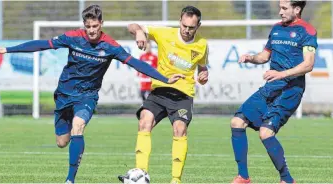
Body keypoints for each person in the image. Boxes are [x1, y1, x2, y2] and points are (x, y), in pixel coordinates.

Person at [0, 5, 184, 184]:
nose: (92, 30)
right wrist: (8, 49)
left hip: (87, 96)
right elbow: (42, 44)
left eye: (95, 26)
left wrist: (164, 79)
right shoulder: (73, 37)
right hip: (64, 94)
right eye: (88, 26)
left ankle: (70, 180)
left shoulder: (110, 46)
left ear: (101, 24)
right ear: (84, 25)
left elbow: (136, 63)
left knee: (78, 126)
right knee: (62, 142)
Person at [118, 5, 209, 184]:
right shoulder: (164, 33)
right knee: (144, 120)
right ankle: (140, 173)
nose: (187, 30)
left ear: (198, 26)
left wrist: (204, 75)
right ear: (180, 22)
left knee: (179, 129)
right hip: (160, 90)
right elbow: (132, 25)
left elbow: (203, 68)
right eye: (184, 26)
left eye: (191, 27)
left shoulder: (202, 44)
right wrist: (139, 32)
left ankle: (175, 180)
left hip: (183, 95)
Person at [230, 0, 317, 183]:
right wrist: (251, 58)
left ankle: (287, 179)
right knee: (237, 122)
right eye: (280, 7)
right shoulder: (276, 29)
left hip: (290, 90)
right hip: (271, 87)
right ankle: (243, 177)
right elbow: (264, 56)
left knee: (265, 133)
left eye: (284, 8)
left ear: (297, 9)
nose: (280, 12)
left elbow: (308, 64)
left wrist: (282, 74)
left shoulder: (307, 31)